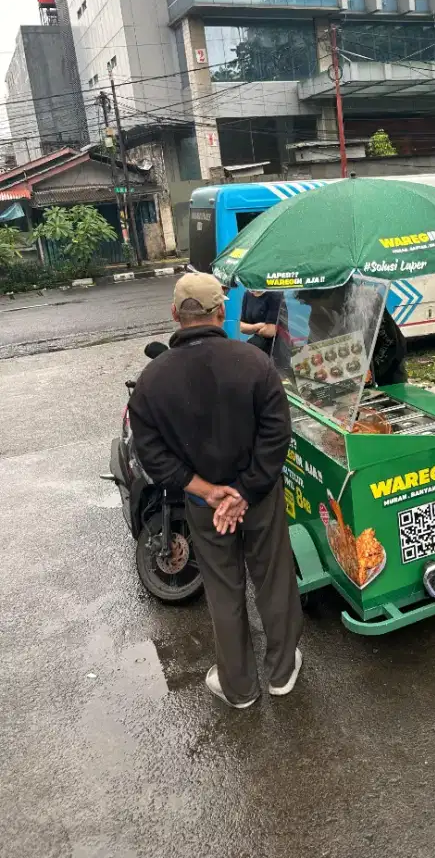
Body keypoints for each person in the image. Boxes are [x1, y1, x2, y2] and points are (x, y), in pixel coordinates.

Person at [128, 272, 303, 707]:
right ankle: (282, 673)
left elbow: (150, 453)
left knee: (224, 588)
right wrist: (242, 491)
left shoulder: (152, 380)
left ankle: (239, 688)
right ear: (221, 313)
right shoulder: (254, 364)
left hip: (204, 507)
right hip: (259, 497)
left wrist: (207, 492)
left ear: (174, 314)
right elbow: (277, 435)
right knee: (273, 579)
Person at [240, 289, 281, 355]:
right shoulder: (247, 294)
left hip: (274, 348)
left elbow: (270, 331)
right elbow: (241, 327)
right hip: (257, 345)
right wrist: (258, 326)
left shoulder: (274, 295)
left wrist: (250, 329)